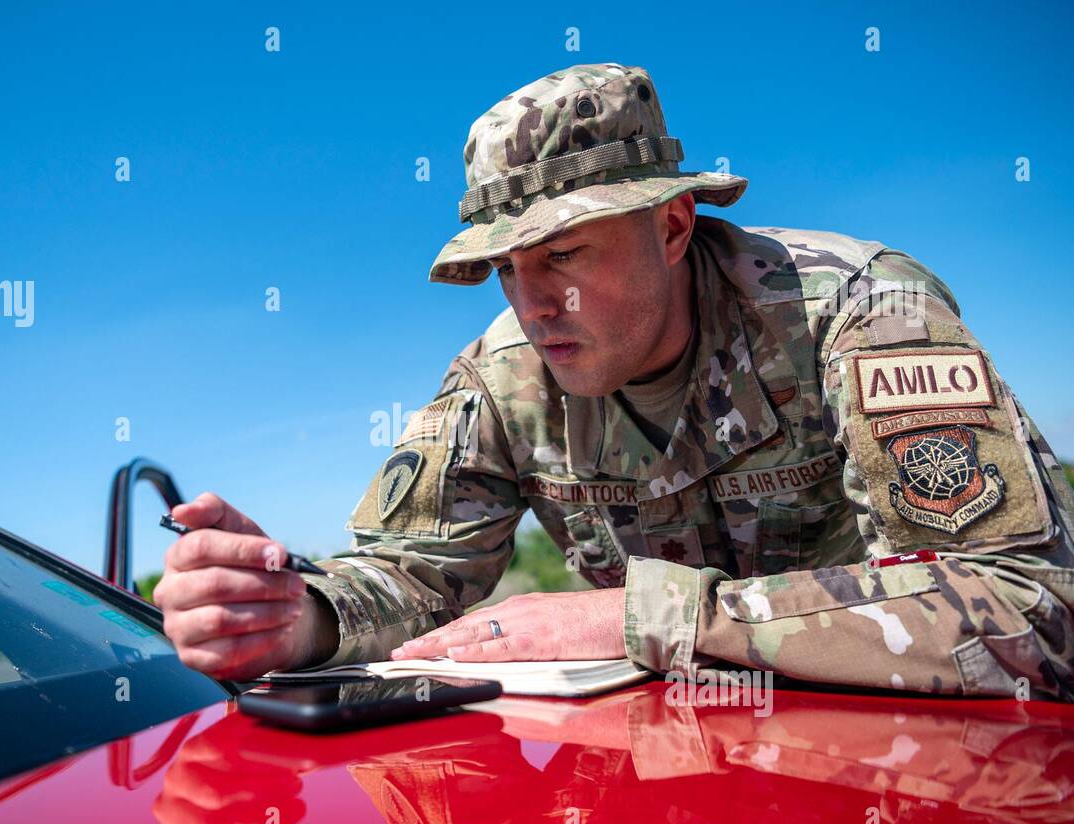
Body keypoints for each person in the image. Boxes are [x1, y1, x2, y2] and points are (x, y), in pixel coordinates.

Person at [153, 64, 1074, 701]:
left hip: (905, 771)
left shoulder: (861, 310)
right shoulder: (503, 380)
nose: (533, 302)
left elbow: (1030, 610)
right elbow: (411, 577)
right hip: (659, 779)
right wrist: (296, 615)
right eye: (507, 269)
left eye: (562, 255)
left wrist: (641, 618)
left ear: (674, 226)